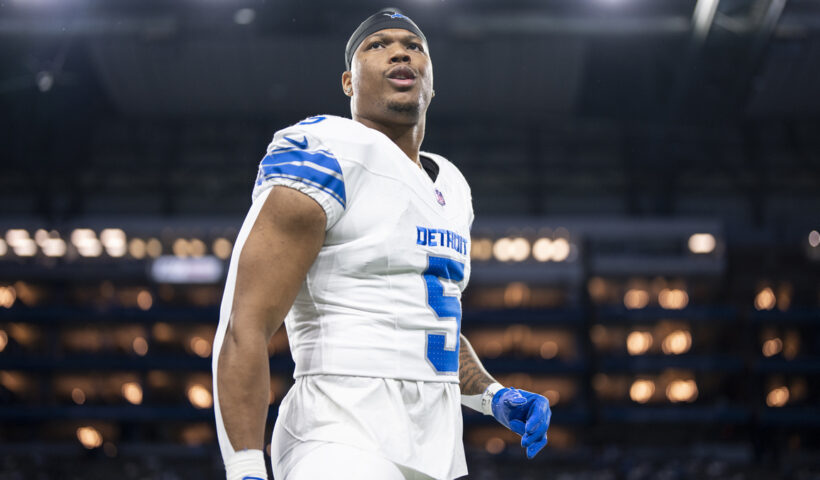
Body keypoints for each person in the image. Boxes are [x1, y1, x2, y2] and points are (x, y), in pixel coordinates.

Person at [211, 8, 551, 480]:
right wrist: (245, 465)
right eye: (378, 45)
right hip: (337, 432)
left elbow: (429, 329)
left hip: (439, 446)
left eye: (415, 46)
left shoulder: (452, 187)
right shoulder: (324, 149)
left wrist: (494, 396)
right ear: (348, 82)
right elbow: (244, 324)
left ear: (431, 83)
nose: (400, 51)